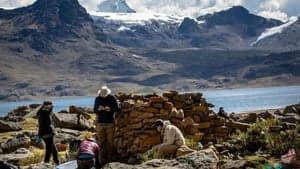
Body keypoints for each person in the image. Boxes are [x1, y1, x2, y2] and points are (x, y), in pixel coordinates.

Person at [93, 86, 120, 166]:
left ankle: (111, 162)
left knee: (110, 143)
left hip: (110, 123)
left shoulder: (112, 98)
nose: (103, 95)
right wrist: (99, 109)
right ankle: (101, 162)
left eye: (104, 93)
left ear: (107, 93)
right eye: (102, 93)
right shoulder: (97, 99)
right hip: (100, 123)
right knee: (101, 143)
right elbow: (94, 110)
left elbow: (118, 109)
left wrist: (110, 109)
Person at [37, 101, 59, 165]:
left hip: (45, 133)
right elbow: (50, 111)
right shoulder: (44, 113)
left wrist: (48, 107)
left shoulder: (41, 112)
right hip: (47, 133)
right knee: (49, 149)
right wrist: (49, 107)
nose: (50, 107)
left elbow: (49, 111)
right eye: (49, 105)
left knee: (53, 149)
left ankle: (56, 162)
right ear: (46, 106)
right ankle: (46, 162)